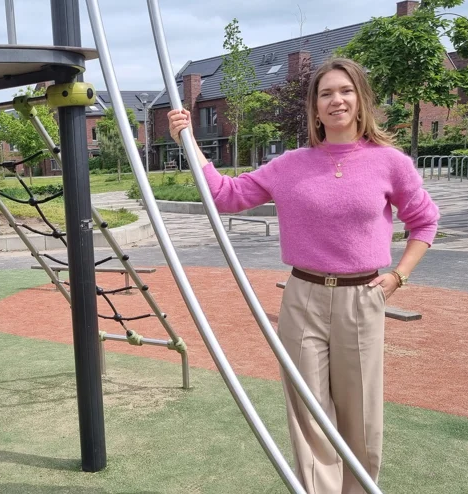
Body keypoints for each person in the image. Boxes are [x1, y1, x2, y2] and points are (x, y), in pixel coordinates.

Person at [167, 57, 439, 493]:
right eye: (326, 93)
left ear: (361, 100)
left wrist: (398, 276)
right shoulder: (290, 164)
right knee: (309, 411)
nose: (337, 101)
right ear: (314, 107)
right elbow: (226, 195)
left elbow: (425, 222)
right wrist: (189, 140)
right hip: (302, 296)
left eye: (345, 91)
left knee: (361, 414)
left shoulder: (390, 163)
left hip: (362, 297)